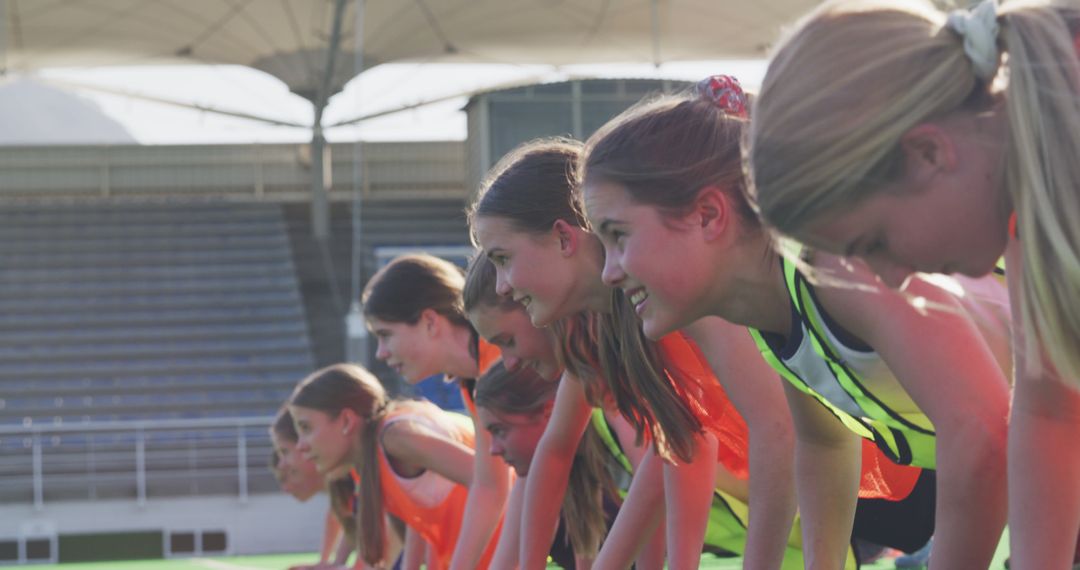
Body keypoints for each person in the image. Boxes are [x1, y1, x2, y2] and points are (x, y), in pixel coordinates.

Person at [579, 74, 1013, 569]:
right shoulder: (776, 312)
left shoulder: (837, 265)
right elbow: (825, 443)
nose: (609, 272)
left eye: (618, 236)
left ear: (707, 215)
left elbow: (982, 435)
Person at [747, 2, 1080, 566]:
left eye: (873, 242)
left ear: (928, 153)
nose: (892, 279)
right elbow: (1051, 407)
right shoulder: (1029, 182)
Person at [361, 254, 510, 569]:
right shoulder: (474, 379)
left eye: (385, 334)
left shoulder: (499, 355)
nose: (381, 353)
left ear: (429, 321)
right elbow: (490, 486)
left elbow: (506, 484)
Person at [289, 363, 492, 570]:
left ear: (347, 421)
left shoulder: (396, 436)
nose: (301, 445)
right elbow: (418, 527)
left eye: (306, 428)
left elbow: (491, 482)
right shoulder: (372, 460)